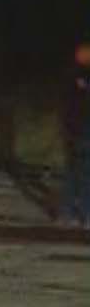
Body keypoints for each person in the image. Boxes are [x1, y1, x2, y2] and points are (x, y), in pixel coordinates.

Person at [60, 40, 90, 228]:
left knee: (79, 172)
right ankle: (75, 213)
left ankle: (77, 213)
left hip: (79, 129)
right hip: (77, 129)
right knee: (77, 172)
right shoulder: (73, 76)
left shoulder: (74, 76)